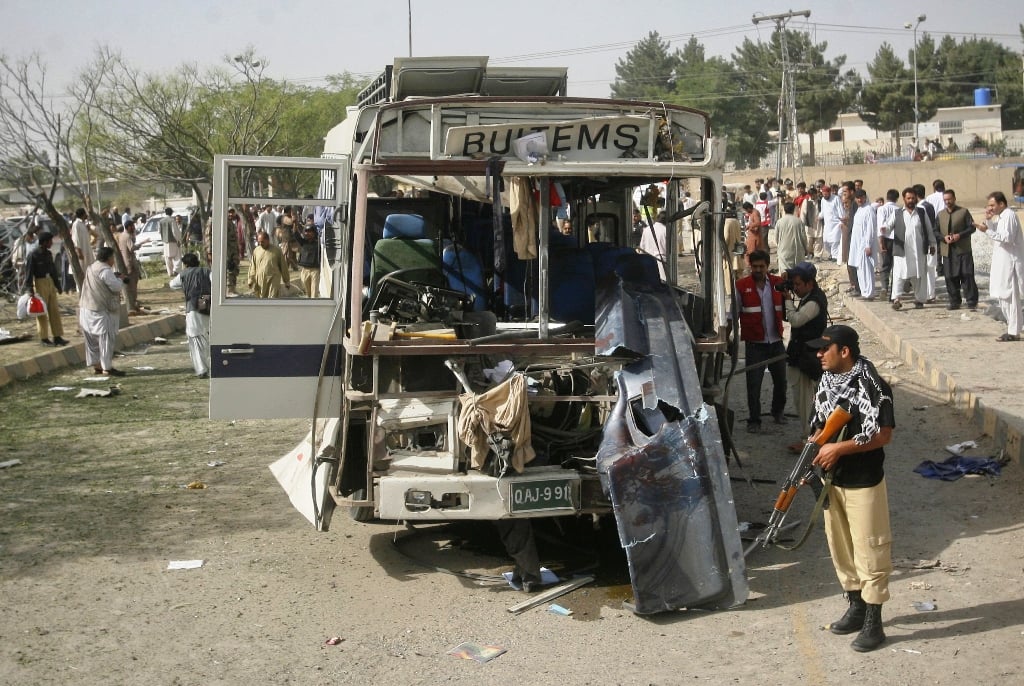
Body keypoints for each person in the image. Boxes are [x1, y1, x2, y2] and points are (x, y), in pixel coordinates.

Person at [805, 324, 895, 653]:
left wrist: (838, 450)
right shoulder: (828, 382)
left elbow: (883, 435)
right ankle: (856, 606)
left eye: (824, 349)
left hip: (862, 480)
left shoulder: (873, 386)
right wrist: (812, 452)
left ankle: (874, 620)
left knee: (870, 549)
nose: (818, 354)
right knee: (840, 547)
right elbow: (820, 425)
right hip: (832, 480)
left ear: (844, 352)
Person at [735, 249, 787, 433]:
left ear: (767, 266)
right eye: (755, 266)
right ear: (750, 266)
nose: (758, 269)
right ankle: (754, 420)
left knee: (781, 381)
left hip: (776, 342)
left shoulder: (777, 284)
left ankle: (778, 411)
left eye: (761, 266)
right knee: (754, 384)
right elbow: (732, 314)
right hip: (755, 344)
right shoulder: (741, 286)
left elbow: (789, 306)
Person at [782, 261, 828, 438]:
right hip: (803, 354)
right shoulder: (808, 296)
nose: (795, 288)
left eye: (798, 284)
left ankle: (810, 436)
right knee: (803, 397)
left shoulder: (814, 302)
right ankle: (810, 433)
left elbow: (796, 320)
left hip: (806, 357)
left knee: (804, 400)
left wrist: (787, 301)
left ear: (810, 283)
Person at [973, 191, 1024, 341]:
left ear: (1001, 204)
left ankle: (1013, 332)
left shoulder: (1008, 215)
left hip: (1010, 263)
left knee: (1010, 297)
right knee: (1003, 296)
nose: (990, 208)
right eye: (988, 205)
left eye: (992, 205)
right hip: (1002, 263)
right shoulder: (1002, 217)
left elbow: (1006, 237)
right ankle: (1012, 328)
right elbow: (996, 230)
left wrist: (986, 230)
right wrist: (988, 221)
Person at [78, 247, 126, 376]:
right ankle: (107, 368)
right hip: (99, 311)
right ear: (109, 258)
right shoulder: (105, 270)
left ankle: (97, 365)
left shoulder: (91, 267)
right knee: (106, 340)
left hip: (86, 308)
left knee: (91, 341)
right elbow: (115, 287)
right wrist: (120, 279)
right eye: (112, 258)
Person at [890, 187, 935, 310]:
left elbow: (929, 229)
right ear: (904, 199)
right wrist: (885, 230)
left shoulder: (921, 212)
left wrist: (932, 244)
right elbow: (889, 226)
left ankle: (919, 300)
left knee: (919, 275)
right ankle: (897, 299)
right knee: (899, 275)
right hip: (902, 251)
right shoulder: (897, 213)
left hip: (918, 251)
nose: (911, 200)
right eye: (908, 198)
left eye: (913, 198)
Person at [169, 252, 212, 378]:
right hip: (205, 303)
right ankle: (207, 366)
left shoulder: (184, 274)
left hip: (192, 305)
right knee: (205, 336)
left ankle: (201, 369)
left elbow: (172, 285)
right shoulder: (206, 271)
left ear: (186, 264)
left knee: (195, 338)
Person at [936, 189, 978, 311]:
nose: (947, 202)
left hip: (963, 250)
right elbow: (935, 231)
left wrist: (959, 235)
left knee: (967, 275)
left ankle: (971, 302)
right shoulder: (940, 215)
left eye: (949, 199)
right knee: (950, 277)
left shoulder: (964, 212)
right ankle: (954, 301)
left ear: (954, 198)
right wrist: (944, 238)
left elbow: (972, 228)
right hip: (948, 251)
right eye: (945, 200)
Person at [24, 232, 68, 346]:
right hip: (39, 282)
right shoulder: (33, 255)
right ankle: (44, 338)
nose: (51, 243)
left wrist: (58, 286)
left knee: (54, 311)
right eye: (50, 241)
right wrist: (30, 290)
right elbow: (29, 273)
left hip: (50, 282)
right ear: (44, 242)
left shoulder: (48, 254)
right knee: (41, 311)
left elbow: (53, 270)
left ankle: (57, 336)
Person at [849, 189, 878, 300]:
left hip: (865, 245)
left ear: (865, 197)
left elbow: (870, 229)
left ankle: (869, 293)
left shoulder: (869, 210)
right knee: (860, 269)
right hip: (857, 245)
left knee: (867, 269)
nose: (859, 200)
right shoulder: (860, 209)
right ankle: (865, 292)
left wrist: (868, 245)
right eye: (857, 198)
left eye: (861, 197)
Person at [248, 229, 290, 298]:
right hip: (260, 280)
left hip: (273, 279)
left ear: (268, 240)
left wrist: (287, 281)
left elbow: (283, 266)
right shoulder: (256, 250)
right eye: (259, 242)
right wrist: (251, 280)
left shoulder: (277, 250)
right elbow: (253, 266)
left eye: (262, 242)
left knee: (272, 299)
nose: (261, 244)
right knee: (262, 300)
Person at [875, 189, 900, 296]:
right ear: (897, 198)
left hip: (886, 239)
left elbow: (881, 226)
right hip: (898, 240)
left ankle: (885, 287)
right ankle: (895, 288)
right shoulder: (899, 209)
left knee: (885, 264)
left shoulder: (882, 209)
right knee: (896, 265)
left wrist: (881, 243)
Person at [116, 220, 143, 314]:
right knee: (133, 283)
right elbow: (131, 248)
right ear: (129, 227)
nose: (134, 228)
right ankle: (133, 303)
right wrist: (140, 244)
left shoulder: (122, 235)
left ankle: (131, 302)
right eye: (132, 226)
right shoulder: (127, 236)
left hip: (124, 262)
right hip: (129, 262)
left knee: (129, 283)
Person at [774, 201, 806, 274]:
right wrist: (806, 250)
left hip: (783, 251)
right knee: (797, 274)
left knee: (784, 273)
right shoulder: (798, 221)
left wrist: (779, 246)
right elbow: (804, 237)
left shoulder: (779, 222)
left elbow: (776, 238)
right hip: (797, 251)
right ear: (793, 210)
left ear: (784, 210)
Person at [638, 210, 669, 281]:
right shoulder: (666, 230)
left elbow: (642, 248)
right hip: (662, 263)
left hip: (648, 262)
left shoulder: (646, 229)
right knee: (663, 285)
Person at [294, 218, 321, 298]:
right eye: (306, 231)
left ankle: (314, 307)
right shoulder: (303, 242)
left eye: (309, 232)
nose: (307, 233)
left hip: (315, 271)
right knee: (308, 293)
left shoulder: (318, 244)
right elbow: (296, 234)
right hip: (305, 270)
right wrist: (295, 224)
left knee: (314, 293)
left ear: (314, 233)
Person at [70, 208, 95, 291]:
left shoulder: (83, 224)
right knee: (82, 271)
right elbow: (75, 239)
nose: (86, 215)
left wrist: (88, 228)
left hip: (87, 251)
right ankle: (81, 290)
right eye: (85, 214)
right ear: (83, 214)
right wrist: (79, 252)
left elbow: (92, 236)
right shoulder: (76, 224)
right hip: (81, 252)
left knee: (89, 271)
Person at [820, 183, 843, 262]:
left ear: (829, 192)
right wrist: (819, 217)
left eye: (826, 194)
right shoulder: (823, 200)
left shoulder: (836, 198)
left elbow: (840, 210)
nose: (825, 195)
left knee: (835, 241)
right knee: (825, 242)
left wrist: (842, 221)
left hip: (836, 224)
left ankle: (835, 256)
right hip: (827, 225)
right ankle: (831, 254)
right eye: (823, 194)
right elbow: (823, 212)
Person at [157, 207, 182, 277]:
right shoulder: (172, 220)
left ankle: (170, 272)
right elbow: (175, 232)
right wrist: (178, 240)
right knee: (177, 256)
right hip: (173, 241)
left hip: (165, 242)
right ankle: (176, 270)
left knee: (167, 257)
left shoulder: (161, 221)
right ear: (171, 213)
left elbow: (159, 231)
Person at [741, 202, 764, 267]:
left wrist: (749, 226)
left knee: (749, 252)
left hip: (754, 236)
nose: (746, 212)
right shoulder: (752, 213)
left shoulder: (755, 213)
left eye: (746, 210)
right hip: (752, 235)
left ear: (748, 208)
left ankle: (750, 266)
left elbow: (758, 223)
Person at [801, 186, 820, 259]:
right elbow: (803, 213)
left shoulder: (820, 201)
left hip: (819, 224)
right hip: (809, 223)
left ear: (816, 194)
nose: (812, 196)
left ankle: (817, 255)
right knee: (809, 240)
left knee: (819, 240)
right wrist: (802, 223)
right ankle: (810, 253)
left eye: (813, 194)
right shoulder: (806, 201)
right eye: (810, 195)